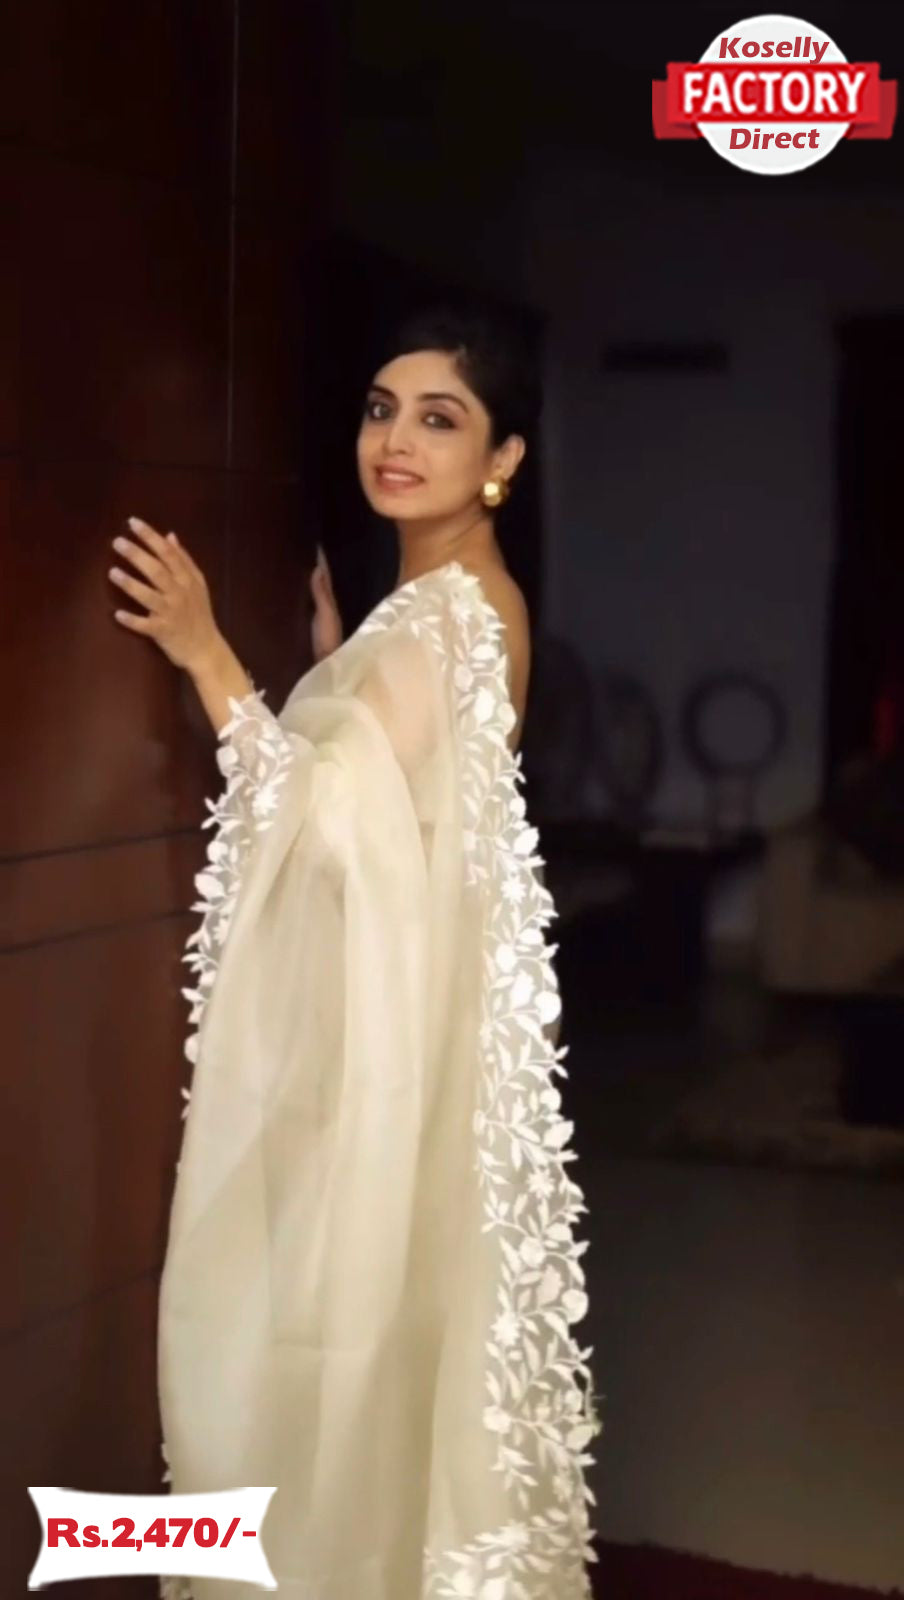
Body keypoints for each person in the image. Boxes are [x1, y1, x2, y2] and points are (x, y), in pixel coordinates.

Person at [108, 300, 601, 1599]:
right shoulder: (448, 608)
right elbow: (413, 798)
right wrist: (337, 674)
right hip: (408, 1028)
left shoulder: (452, 619)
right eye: (383, 409)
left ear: (502, 458)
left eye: (441, 419)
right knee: (373, 1338)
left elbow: (331, 836)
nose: (397, 440)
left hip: (384, 1049)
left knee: (324, 1336)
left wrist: (207, 653)